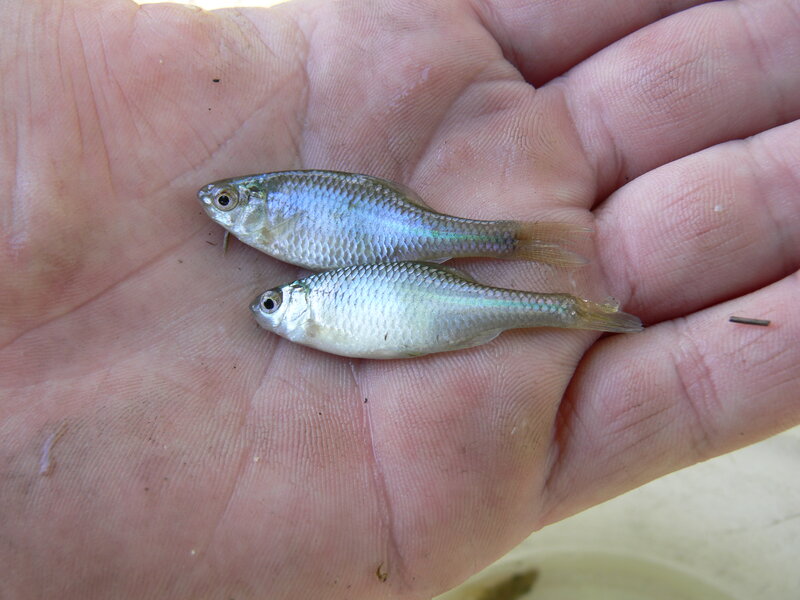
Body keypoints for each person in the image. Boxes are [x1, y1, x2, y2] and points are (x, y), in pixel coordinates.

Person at [1, 0, 798, 597]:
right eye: (228, 204)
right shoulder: (306, 265)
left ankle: (539, 271)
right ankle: (559, 296)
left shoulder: (299, 254)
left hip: (386, 256)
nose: (222, 209)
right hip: (386, 267)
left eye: (231, 201)